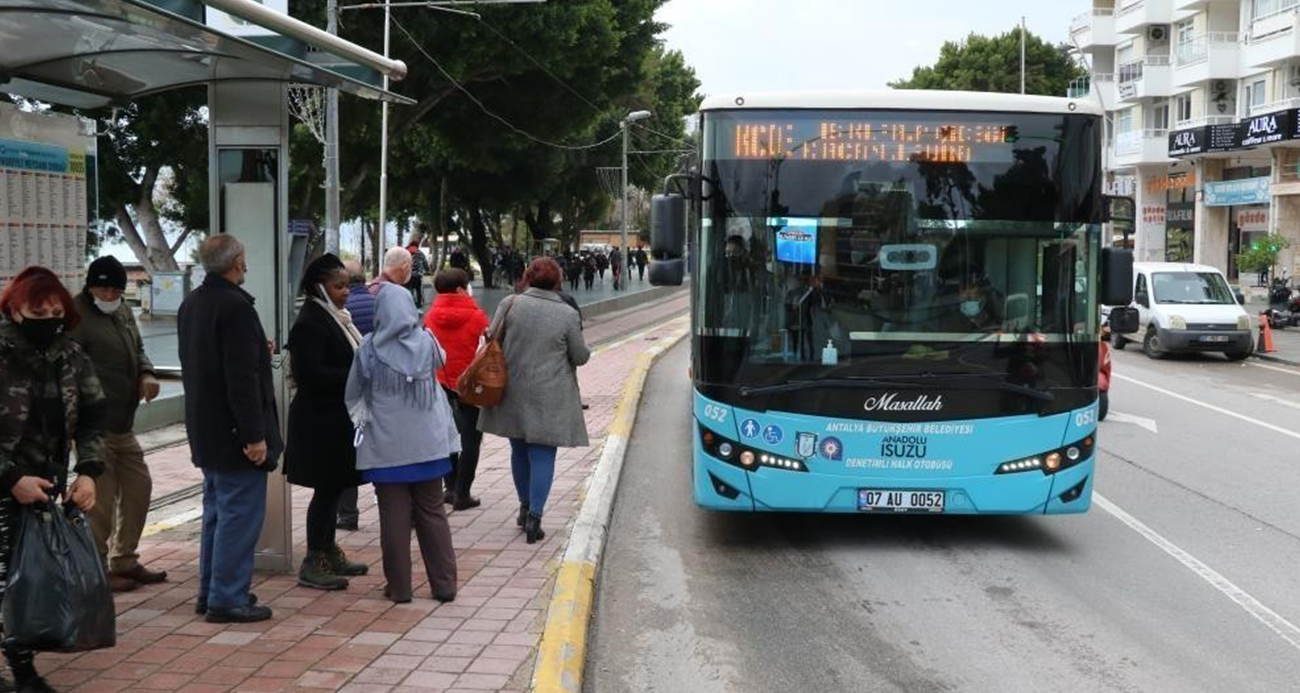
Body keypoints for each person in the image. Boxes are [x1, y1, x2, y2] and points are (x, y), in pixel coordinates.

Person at [0, 267, 106, 693]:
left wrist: (89, 472)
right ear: (14, 310)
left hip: (45, 486)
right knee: (7, 576)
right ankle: (23, 673)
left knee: (26, 576)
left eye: (54, 310)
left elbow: (94, 417)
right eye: (36, 310)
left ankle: (23, 668)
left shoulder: (72, 356)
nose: (47, 318)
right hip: (8, 481)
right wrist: (10, 478)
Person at [179, 235, 280, 624]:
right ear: (237, 261)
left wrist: (257, 349)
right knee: (239, 516)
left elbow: (207, 363)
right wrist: (255, 437)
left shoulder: (193, 304)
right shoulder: (236, 308)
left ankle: (212, 590)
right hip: (235, 433)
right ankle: (227, 598)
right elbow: (240, 379)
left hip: (206, 428)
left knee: (217, 514)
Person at [347, 285, 460, 603]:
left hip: (386, 448)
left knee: (393, 516)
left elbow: (354, 395)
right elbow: (443, 361)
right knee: (432, 511)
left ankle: (400, 588)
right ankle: (444, 585)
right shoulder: (427, 342)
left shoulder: (368, 348)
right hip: (428, 444)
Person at [68, 256, 166, 594]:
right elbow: (68, 370)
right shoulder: (75, 316)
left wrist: (147, 372)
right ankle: (96, 567)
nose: (109, 295)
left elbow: (138, 348)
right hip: (94, 426)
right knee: (101, 500)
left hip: (123, 424)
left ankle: (124, 559)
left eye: (116, 290)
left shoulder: (122, 311)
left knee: (139, 487)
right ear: (90, 285)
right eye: (103, 288)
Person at [479, 258, 590, 544]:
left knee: (518, 450)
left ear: (527, 278)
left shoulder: (510, 304)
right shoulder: (566, 314)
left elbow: (492, 339)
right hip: (550, 395)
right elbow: (580, 356)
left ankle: (524, 506)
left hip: (512, 391)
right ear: (557, 281)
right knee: (542, 454)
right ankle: (535, 518)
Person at [284, 254, 369, 590]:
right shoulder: (310, 322)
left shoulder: (337, 318)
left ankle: (328, 550)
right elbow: (311, 374)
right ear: (319, 287)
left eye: (347, 285)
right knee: (325, 491)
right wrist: (358, 374)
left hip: (336, 420)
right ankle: (313, 559)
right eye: (339, 286)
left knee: (333, 490)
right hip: (319, 422)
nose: (346, 292)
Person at [424, 269, 489, 511]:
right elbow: (487, 349)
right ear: (462, 289)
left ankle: (449, 487)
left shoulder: (429, 317)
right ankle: (463, 493)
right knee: (471, 438)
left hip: (440, 383)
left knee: (446, 436)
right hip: (471, 387)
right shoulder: (478, 317)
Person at [337, 260, 376, 531]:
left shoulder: (341, 311)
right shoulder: (378, 305)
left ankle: (348, 514)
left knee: (349, 450)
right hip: (378, 390)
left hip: (349, 392)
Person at [405, 234, 430, 308]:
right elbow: (425, 263)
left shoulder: (406, 252)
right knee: (418, 289)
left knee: (409, 289)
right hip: (418, 275)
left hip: (408, 274)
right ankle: (419, 304)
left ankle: (410, 302)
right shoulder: (420, 253)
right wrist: (427, 270)